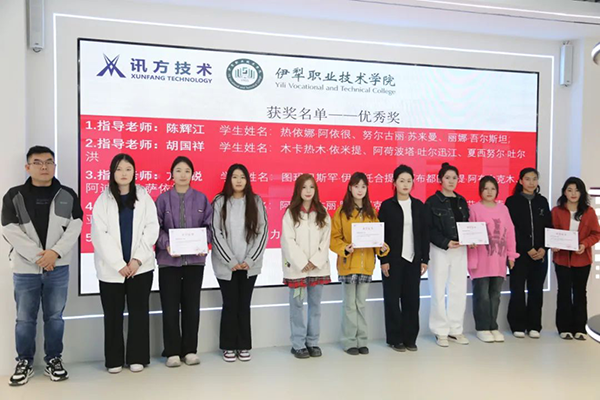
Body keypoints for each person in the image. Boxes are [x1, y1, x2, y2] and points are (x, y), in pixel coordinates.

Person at [2, 146, 82, 386]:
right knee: (24, 319)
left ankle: (54, 360)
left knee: (55, 317)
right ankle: (24, 362)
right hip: (25, 269)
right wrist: (40, 257)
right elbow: (9, 229)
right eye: (37, 162)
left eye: (49, 162)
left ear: (54, 166)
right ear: (28, 167)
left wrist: (54, 253)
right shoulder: (14, 195)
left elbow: (76, 225)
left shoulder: (67, 194)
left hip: (58, 267)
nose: (44, 167)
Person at [91, 153, 159, 373]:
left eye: (128, 169)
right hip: (112, 270)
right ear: (112, 172)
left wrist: (137, 259)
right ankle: (114, 360)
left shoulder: (144, 196)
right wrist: (118, 264)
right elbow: (99, 235)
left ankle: (137, 357)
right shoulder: (103, 200)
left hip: (140, 267)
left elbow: (152, 228)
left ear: (134, 172)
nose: (124, 173)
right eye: (119, 169)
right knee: (113, 315)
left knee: (139, 313)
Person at [155, 156, 212, 367]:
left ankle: (189, 350)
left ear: (192, 174)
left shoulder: (201, 199)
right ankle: (171, 351)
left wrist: (203, 242)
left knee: (191, 306)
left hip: (195, 263)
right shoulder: (162, 199)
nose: (182, 174)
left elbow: (209, 227)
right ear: (172, 174)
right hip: (168, 262)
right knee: (169, 307)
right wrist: (167, 244)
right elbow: (155, 227)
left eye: (187, 171)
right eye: (178, 170)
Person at [211, 164, 268, 362]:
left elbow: (262, 231)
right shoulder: (219, 201)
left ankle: (243, 345)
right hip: (226, 266)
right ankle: (228, 346)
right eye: (234, 176)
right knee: (229, 304)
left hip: (249, 266)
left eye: (242, 177)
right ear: (229, 179)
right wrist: (231, 260)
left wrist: (250, 260)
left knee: (244, 304)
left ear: (247, 180)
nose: (238, 180)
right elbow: (215, 232)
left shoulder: (256, 201)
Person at [330, 172, 389, 355]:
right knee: (349, 305)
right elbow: (333, 238)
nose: (360, 190)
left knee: (361, 304)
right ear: (350, 188)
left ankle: (362, 340)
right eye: (356, 186)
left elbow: (376, 239)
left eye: (363, 186)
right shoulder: (342, 211)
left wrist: (382, 247)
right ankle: (349, 342)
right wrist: (344, 248)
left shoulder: (372, 212)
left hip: (366, 265)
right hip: (348, 264)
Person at [378, 165, 429, 352]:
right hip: (393, 261)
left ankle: (410, 338)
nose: (405, 184)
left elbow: (424, 234)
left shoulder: (418, 206)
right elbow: (381, 235)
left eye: (409, 181)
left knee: (412, 301)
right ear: (394, 183)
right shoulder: (387, 206)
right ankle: (395, 339)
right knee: (392, 300)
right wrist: (383, 260)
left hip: (413, 260)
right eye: (401, 181)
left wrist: (425, 259)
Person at [281, 173, 331, 359]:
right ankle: (298, 344)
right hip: (297, 270)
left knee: (315, 307)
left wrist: (315, 262)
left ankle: (312, 342)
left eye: (311, 187)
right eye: (304, 187)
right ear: (298, 190)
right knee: (297, 307)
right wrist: (303, 263)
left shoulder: (323, 213)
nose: (308, 191)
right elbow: (288, 241)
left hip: (318, 268)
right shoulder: (290, 213)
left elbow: (325, 241)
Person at [467, 176, 519, 343]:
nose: (489, 192)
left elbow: (510, 233)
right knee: (481, 295)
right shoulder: (474, 209)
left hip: (498, 260)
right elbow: (470, 233)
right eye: (486, 188)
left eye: (493, 188)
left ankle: (493, 326)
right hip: (481, 260)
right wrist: (472, 256)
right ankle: (482, 328)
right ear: (480, 190)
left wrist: (511, 255)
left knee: (495, 295)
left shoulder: (503, 209)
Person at [425, 162, 470, 347]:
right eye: (447, 178)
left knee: (458, 289)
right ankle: (440, 330)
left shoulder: (462, 201)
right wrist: (445, 242)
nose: (451, 181)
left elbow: (468, 225)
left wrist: (471, 239)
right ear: (440, 180)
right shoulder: (432, 202)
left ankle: (455, 329)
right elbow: (428, 229)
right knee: (438, 289)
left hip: (460, 249)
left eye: (454, 178)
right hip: (440, 250)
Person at [551, 177, 600, 340]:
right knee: (563, 292)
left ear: (582, 193)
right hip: (562, 259)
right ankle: (564, 328)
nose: (573, 193)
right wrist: (553, 244)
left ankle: (580, 328)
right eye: (569, 190)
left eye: (577, 190)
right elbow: (551, 231)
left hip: (582, 259)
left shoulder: (589, 212)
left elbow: (596, 233)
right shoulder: (556, 211)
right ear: (564, 192)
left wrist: (584, 244)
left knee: (580, 293)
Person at [505, 168, 552, 339]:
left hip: (540, 255)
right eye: (527, 179)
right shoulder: (512, 202)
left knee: (536, 290)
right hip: (519, 255)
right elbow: (511, 229)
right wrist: (527, 248)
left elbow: (549, 226)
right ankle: (517, 325)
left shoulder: (542, 201)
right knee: (517, 290)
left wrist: (544, 248)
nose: (531, 182)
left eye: (534, 179)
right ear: (520, 181)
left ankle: (534, 326)